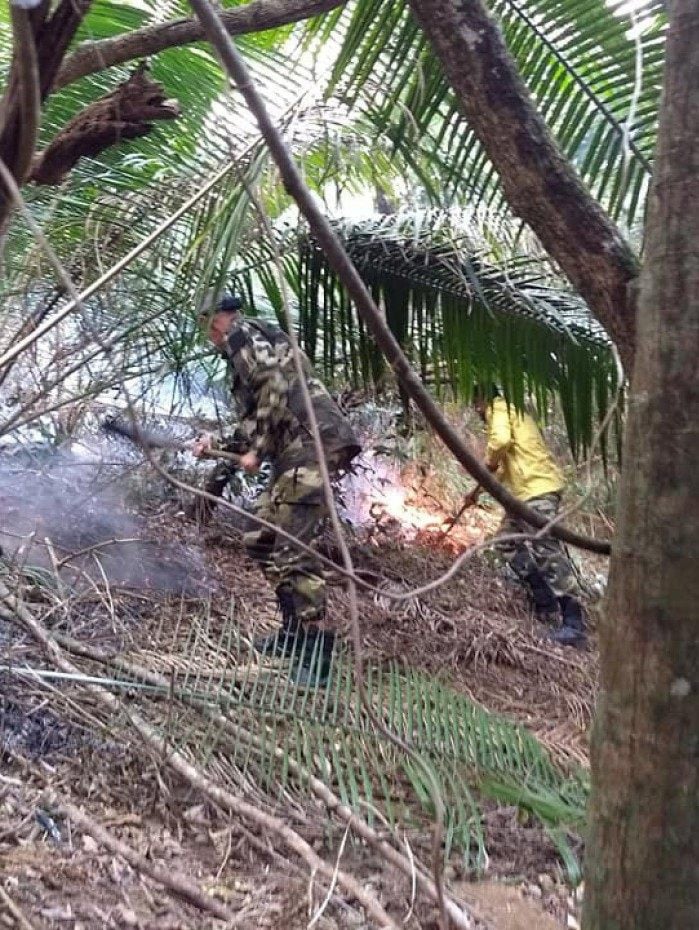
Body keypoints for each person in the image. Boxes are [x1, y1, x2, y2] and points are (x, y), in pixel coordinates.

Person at [193, 294, 361, 685]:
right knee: (260, 538)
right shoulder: (249, 344)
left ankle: (316, 651)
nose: (207, 336)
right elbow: (257, 417)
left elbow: (275, 385)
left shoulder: (241, 335)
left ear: (218, 319)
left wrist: (255, 448)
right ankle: (293, 632)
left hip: (313, 442)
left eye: (206, 325)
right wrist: (216, 443)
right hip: (295, 450)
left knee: (289, 543)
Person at [466, 386, 587, 647]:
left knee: (546, 548)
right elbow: (500, 469)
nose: (477, 410)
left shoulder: (501, 406)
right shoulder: (513, 413)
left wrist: (483, 470)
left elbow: (499, 443)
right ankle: (544, 599)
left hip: (537, 488)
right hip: (524, 494)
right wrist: (476, 491)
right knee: (507, 541)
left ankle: (574, 624)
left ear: (484, 398)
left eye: (476, 403)